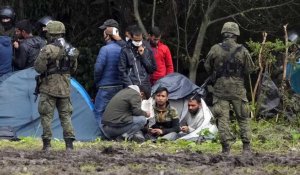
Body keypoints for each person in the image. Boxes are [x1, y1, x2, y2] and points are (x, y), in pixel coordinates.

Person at [204, 22, 256, 155]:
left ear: (223, 34)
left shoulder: (215, 49)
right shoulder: (243, 50)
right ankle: (246, 148)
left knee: (222, 118)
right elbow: (250, 69)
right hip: (238, 89)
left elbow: (207, 66)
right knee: (243, 117)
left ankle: (226, 149)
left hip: (220, 89)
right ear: (236, 35)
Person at [34, 20, 79, 151]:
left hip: (49, 86)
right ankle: (69, 145)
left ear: (51, 34)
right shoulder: (71, 49)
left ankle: (47, 145)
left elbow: (39, 68)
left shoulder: (47, 49)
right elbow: (74, 69)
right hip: (65, 86)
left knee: (46, 115)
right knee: (66, 115)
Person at [94, 19, 123, 125]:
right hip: (120, 86)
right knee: (116, 112)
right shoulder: (124, 48)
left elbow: (98, 69)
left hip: (105, 86)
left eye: (104, 30)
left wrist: (97, 82)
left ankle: (101, 134)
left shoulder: (105, 49)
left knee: (98, 112)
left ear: (108, 33)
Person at [118, 25, 156, 95]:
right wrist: (130, 86)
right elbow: (121, 71)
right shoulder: (125, 50)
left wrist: (143, 56)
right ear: (131, 37)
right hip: (131, 86)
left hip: (145, 86)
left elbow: (152, 69)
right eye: (136, 40)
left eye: (140, 40)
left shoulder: (147, 48)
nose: (138, 42)